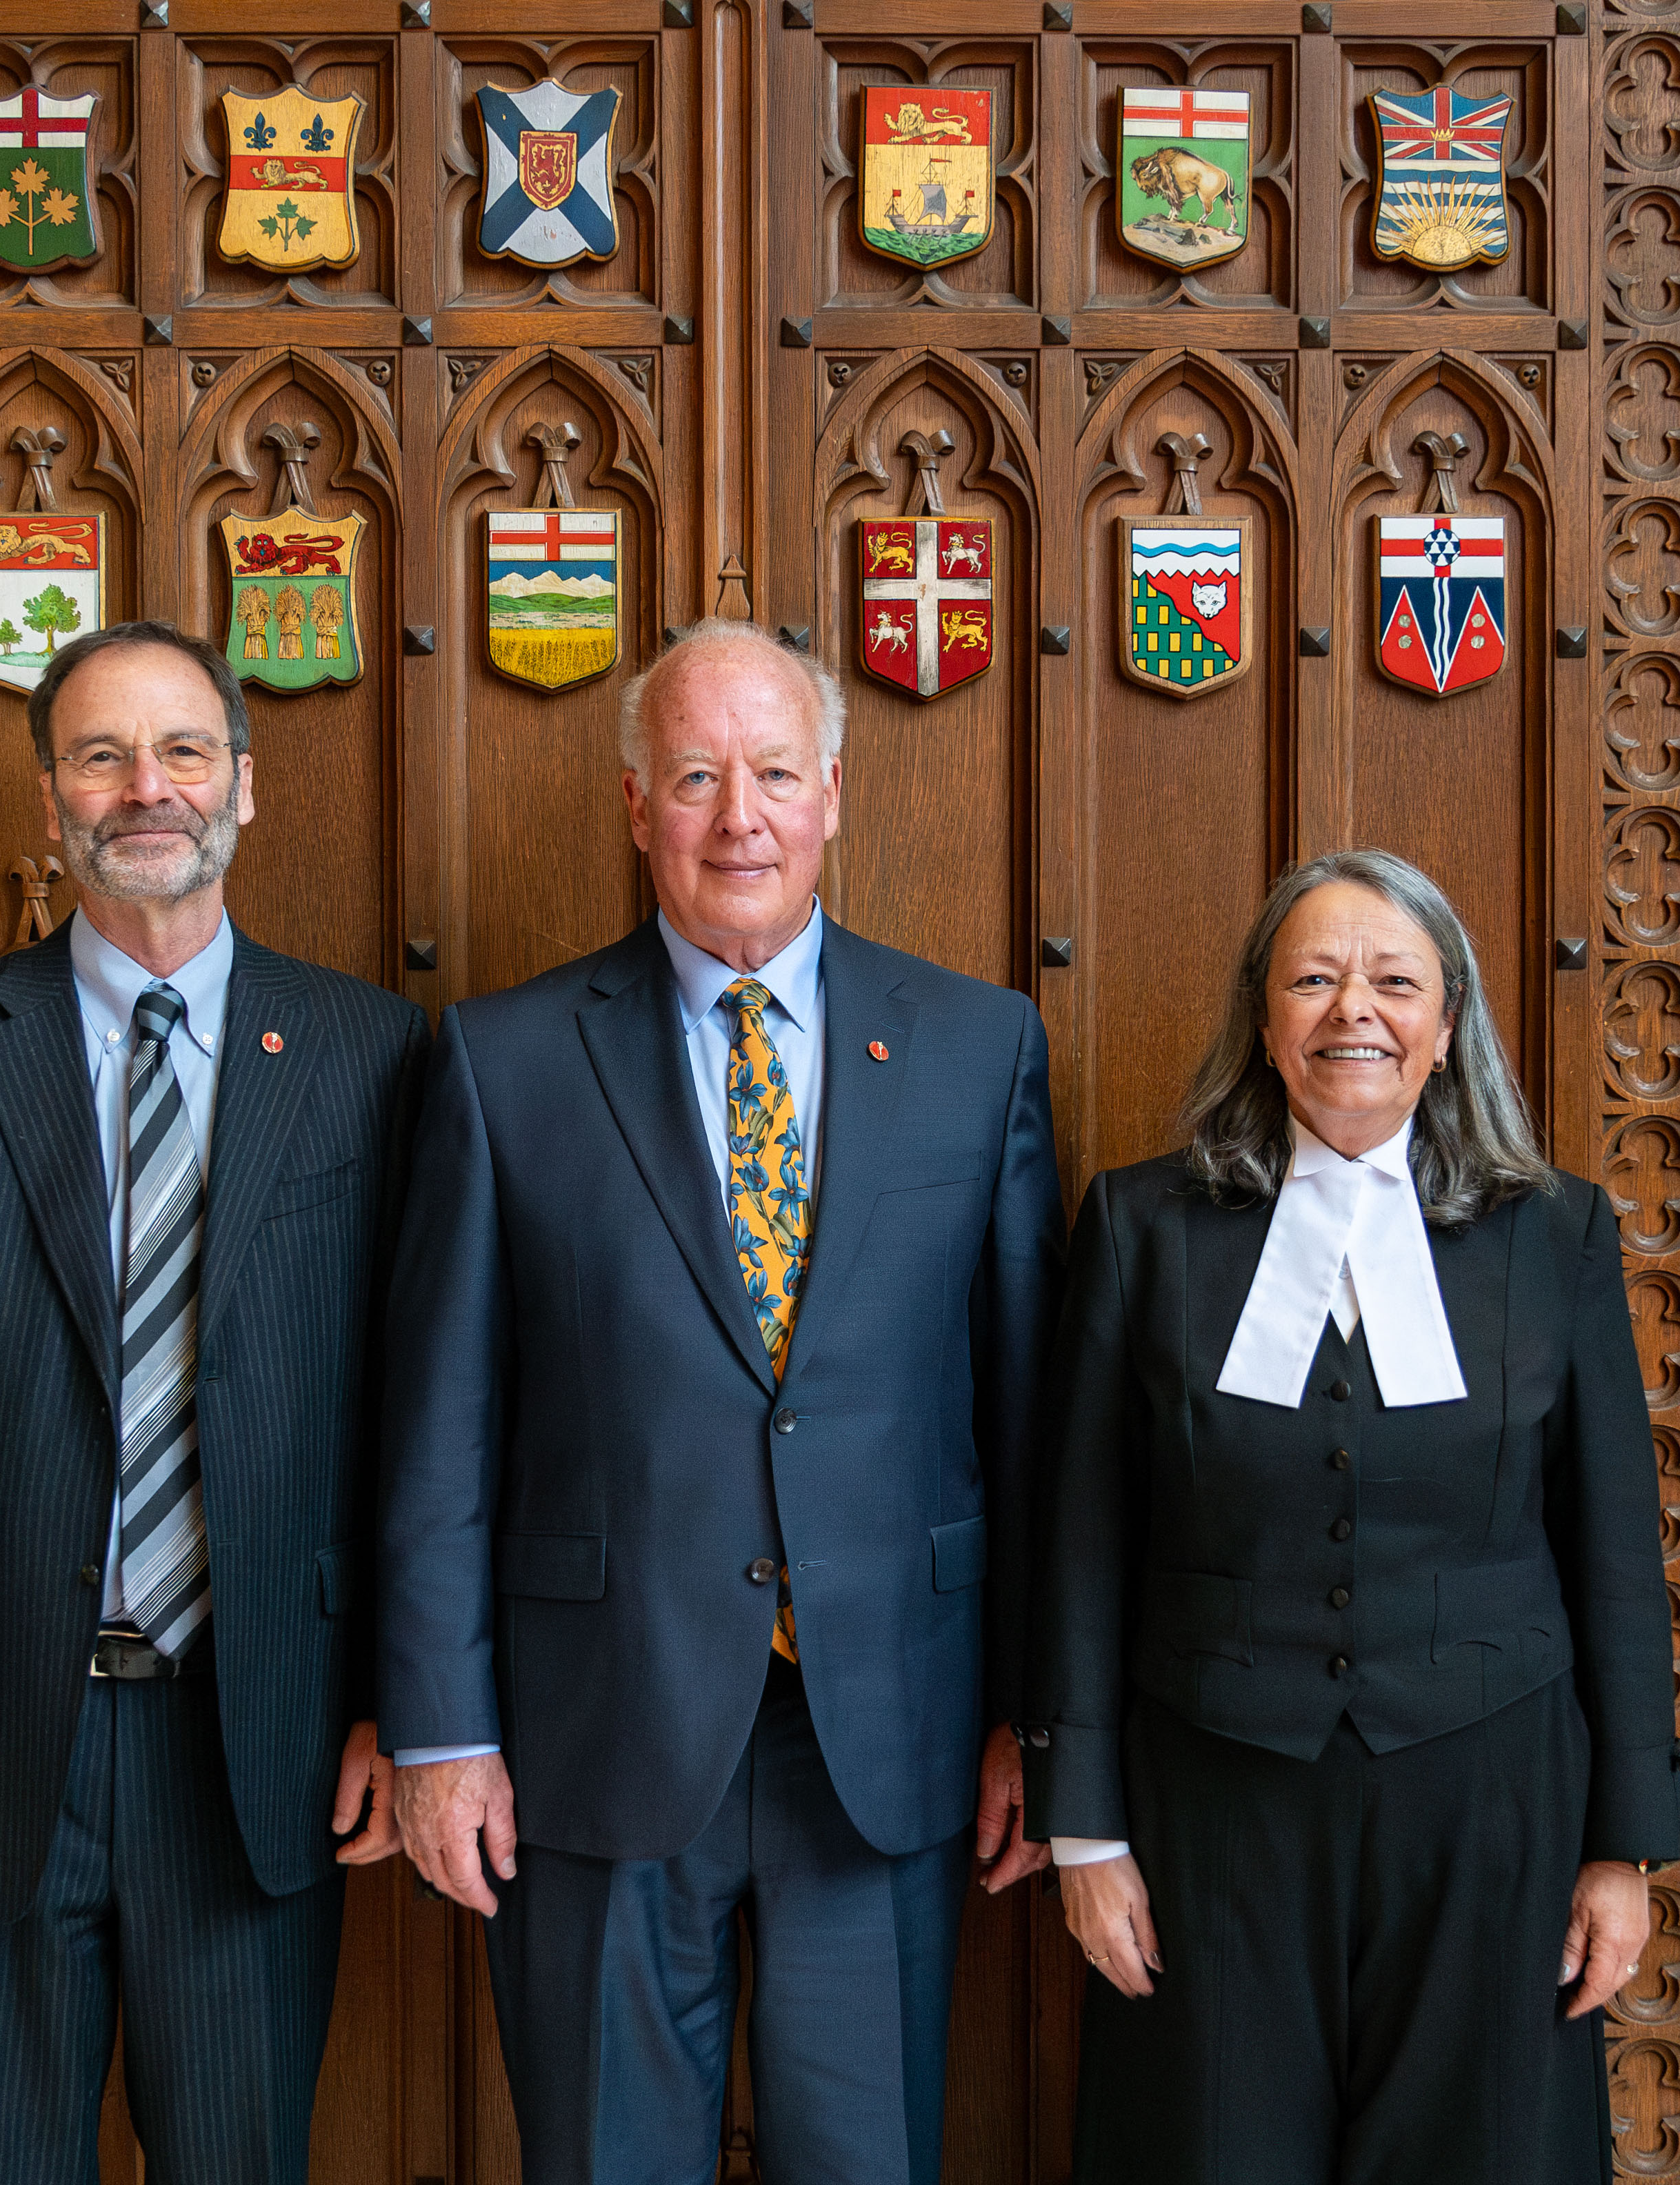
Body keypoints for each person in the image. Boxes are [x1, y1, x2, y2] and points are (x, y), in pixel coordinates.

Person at [379, 620, 1062, 2184]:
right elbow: (440, 1434)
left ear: (832, 793)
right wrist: (438, 1730)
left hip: (882, 1739)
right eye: (694, 776)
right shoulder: (501, 1060)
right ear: (637, 807)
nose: (735, 816)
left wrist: (1042, 1722)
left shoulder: (976, 1047)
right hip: (592, 1735)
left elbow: (1026, 1430)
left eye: (768, 774)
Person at [0, 621, 425, 2184]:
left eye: (183, 750)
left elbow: (422, 1424)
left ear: (244, 788)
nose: (148, 787)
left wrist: (402, 1708)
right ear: (51, 799)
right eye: (101, 754)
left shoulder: (372, 1055)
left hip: (256, 1736)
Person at [1020, 847, 1680, 2183]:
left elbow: (1611, 1556)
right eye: (1311, 979)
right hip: (1214, 1799)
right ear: (1261, 1023)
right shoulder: (1144, 1227)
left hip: (1488, 1797)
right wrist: (1082, 1830)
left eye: (1392, 981)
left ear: (1446, 1028)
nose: (1351, 1012)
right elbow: (1078, 1545)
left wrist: (1622, 1848)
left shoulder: (1553, 1238)